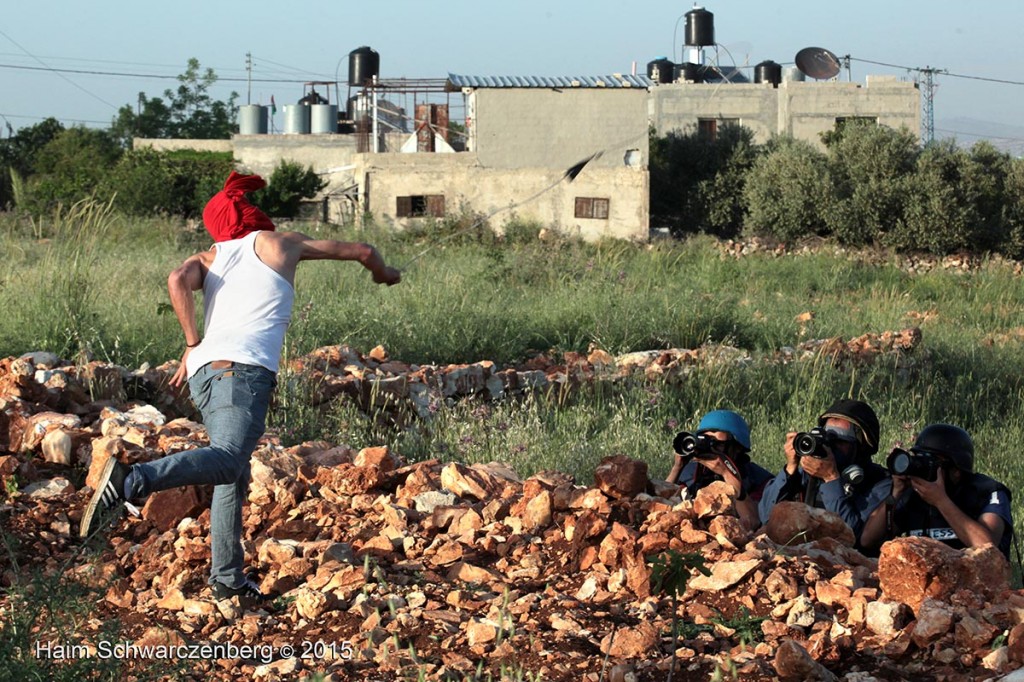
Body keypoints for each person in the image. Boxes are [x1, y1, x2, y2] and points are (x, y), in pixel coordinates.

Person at [79, 170, 401, 602]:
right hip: (244, 372)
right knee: (229, 460)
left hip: (207, 372)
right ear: (256, 216)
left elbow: (177, 281)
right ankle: (130, 482)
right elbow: (362, 249)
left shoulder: (210, 257)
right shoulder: (280, 243)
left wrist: (192, 343)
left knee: (231, 472)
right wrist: (384, 274)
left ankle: (228, 580)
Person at [859, 423, 1013, 557]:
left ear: (956, 471)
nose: (924, 469)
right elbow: (868, 540)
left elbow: (987, 547)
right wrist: (895, 493)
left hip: (978, 585)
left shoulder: (987, 492)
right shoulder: (913, 496)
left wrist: (941, 501)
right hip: (924, 584)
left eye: (931, 462)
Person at [758, 399, 891, 545]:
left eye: (841, 442)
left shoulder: (880, 483)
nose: (831, 446)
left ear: (862, 447)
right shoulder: (811, 472)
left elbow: (853, 537)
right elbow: (766, 518)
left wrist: (831, 479)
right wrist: (790, 468)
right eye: (828, 439)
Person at [666, 410, 773, 530]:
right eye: (705, 441)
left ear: (737, 448)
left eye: (716, 444)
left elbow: (753, 521)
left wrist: (727, 474)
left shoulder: (758, 479)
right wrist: (677, 468)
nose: (710, 449)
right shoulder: (693, 472)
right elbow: (661, 505)